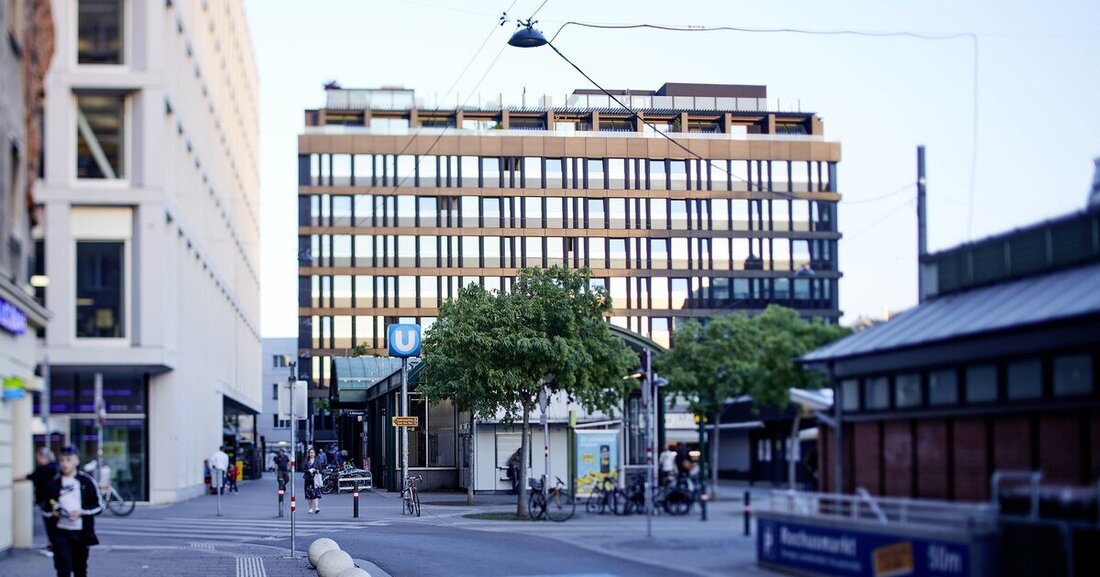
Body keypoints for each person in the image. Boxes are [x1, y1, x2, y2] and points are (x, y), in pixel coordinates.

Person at [41, 446, 102, 577]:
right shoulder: (54, 483)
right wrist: (52, 512)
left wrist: (82, 512)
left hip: (81, 533)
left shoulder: (87, 481)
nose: (64, 464)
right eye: (62, 460)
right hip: (61, 533)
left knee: (80, 569)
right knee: (63, 568)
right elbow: (45, 508)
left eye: (68, 460)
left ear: (76, 461)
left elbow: (99, 506)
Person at [16, 447, 59, 556]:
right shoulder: (55, 467)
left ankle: (53, 546)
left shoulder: (44, 469)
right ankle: (52, 545)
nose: (36, 459)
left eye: (38, 457)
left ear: (43, 457)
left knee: (50, 523)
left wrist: (10, 480)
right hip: (53, 500)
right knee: (54, 523)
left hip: (47, 500)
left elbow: (29, 477)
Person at [304, 448, 323, 514]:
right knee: (309, 494)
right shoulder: (306, 461)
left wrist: (315, 470)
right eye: (310, 453)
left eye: (313, 453)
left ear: (315, 454)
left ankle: (317, 507)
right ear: (309, 454)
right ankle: (310, 508)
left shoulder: (317, 461)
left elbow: (320, 469)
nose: (311, 454)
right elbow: (303, 469)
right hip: (308, 479)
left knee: (316, 493)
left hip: (315, 479)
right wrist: (308, 470)